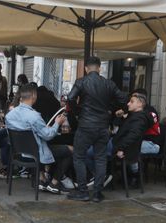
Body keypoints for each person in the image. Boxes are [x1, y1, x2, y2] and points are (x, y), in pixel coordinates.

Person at [67, 56, 127, 202]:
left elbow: (70, 98)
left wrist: (77, 112)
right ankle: (97, 193)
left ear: (86, 68)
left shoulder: (81, 82)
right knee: (100, 158)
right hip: (103, 127)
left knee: (79, 157)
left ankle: (83, 191)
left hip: (86, 125)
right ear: (100, 68)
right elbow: (123, 98)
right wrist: (111, 110)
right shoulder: (109, 84)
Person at [6, 84, 73, 194]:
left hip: (18, 154)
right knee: (70, 150)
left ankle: (42, 180)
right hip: (35, 154)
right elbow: (48, 135)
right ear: (33, 96)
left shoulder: (10, 115)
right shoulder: (34, 116)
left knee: (40, 145)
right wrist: (57, 123)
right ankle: (54, 183)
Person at [112, 93, 153, 179]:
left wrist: (121, 148)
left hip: (119, 146)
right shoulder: (133, 116)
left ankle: (100, 177)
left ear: (140, 104)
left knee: (90, 153)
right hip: (117, 143)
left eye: (131, 102)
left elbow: (133, 135)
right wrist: (121, 117)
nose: (128, 104)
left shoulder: (139, 119)